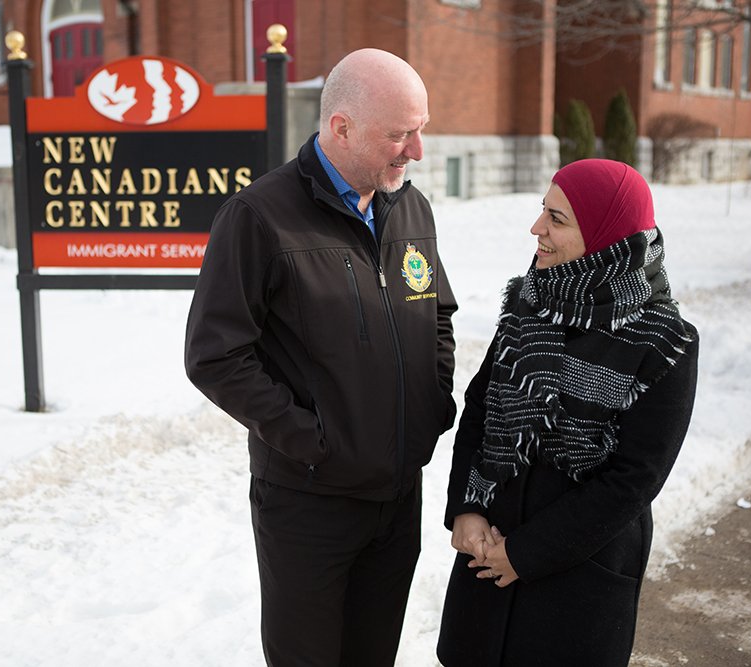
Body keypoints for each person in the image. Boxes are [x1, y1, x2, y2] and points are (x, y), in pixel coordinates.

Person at [184, 48, 458, 666]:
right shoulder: (258, 218)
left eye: (422, 130)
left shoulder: (409, 208)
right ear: (341, 127)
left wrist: (429, 408)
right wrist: (313, 440)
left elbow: (436, 313)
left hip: (396, 497)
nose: (416, 150)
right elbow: (214, 354)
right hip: (310, 505)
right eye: (400, 134)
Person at [437, 158, 699, 666]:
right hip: (487, 557)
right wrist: (466, 507)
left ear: (605, 234)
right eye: (543, 211)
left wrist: (527, 553)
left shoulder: (665, 341)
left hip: (578, 576)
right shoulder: (531, 301)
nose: (537, 228)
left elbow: (634, 478)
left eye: (557, 219)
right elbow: (480, 406)